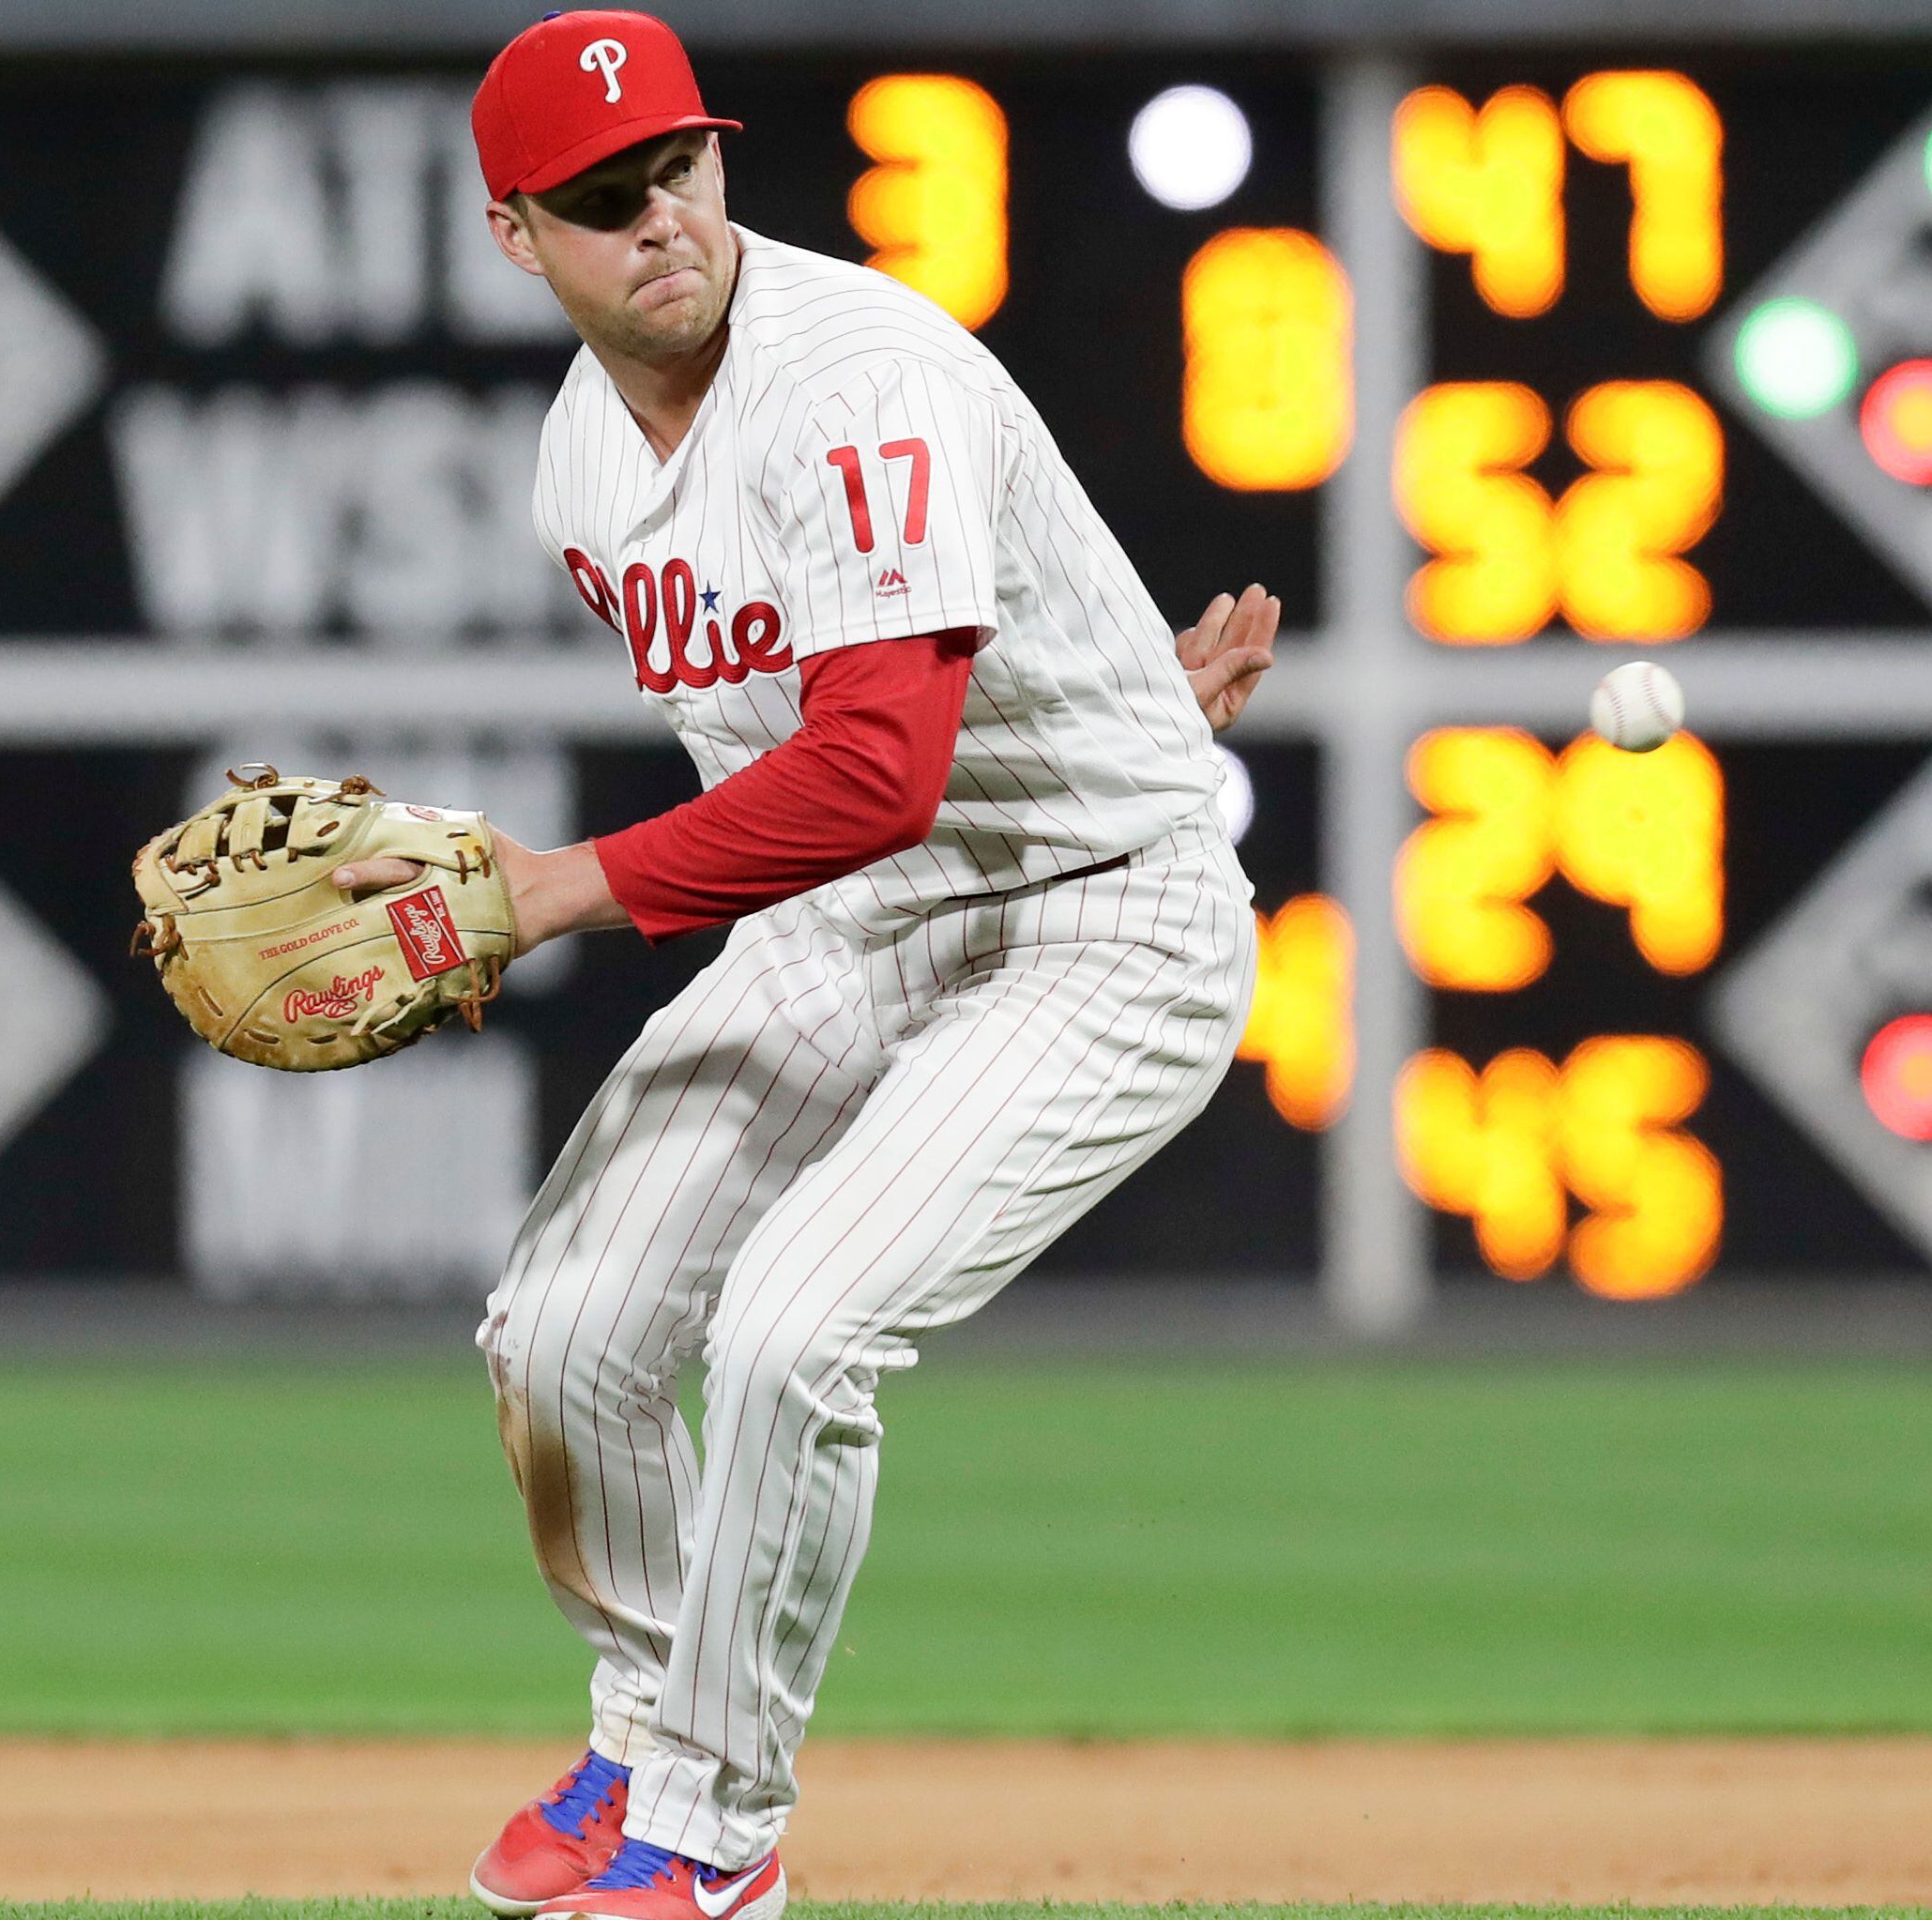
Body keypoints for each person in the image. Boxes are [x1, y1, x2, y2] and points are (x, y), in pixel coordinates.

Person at [330, 16, 1275, 1916]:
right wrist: (1106, 692)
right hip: (873, 911)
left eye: (679, 165)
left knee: (786, 1331)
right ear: (519, 237)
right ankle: (641, 1724)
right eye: (604, 200)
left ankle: (712, 1841)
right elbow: (814, 759)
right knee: (565, 1334)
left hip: (1098, 920)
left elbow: (868, 766)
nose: (661, 218)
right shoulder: (576, 468)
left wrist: (552, 891)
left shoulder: (852, 374)